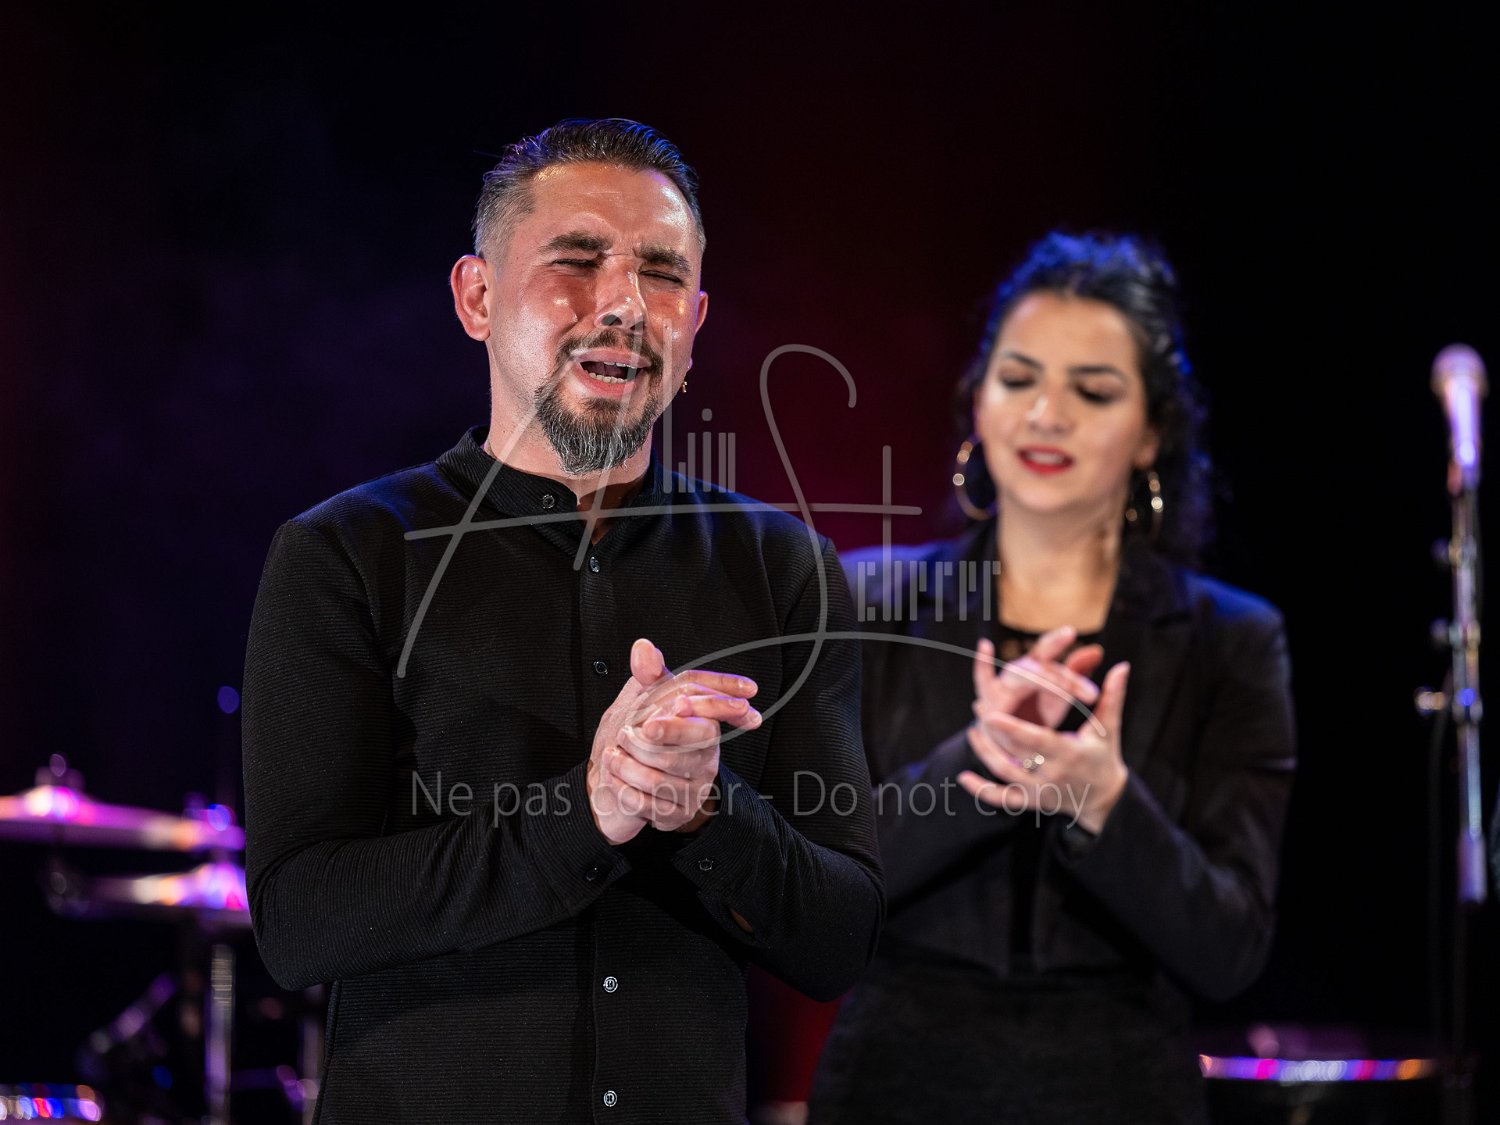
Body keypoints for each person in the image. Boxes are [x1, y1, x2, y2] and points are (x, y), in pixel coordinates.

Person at [242, 118, 882, 1123]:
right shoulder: (346, 554)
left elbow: (840, 939)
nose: (623, 304)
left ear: (695, 320)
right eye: (577, 261)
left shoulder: (783, 565)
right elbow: (300, 920)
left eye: (661, 274)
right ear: (477, 297)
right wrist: (587, 809)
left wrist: (705, 812)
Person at [808, 232, 1295, 1124]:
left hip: (1123, 1083)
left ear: (1151, 433)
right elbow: (811, 892)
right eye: (1018, 378)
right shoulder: (866, 596)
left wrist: (1106, 803)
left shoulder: (1232, 639)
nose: (1045, 413)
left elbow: (1230, 947)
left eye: (1092, 391)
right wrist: (979, 760)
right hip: (896, 1075)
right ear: (979, 401)